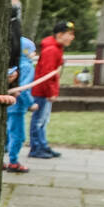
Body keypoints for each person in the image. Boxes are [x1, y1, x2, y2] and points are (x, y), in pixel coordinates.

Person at [29, 20, 74, 159]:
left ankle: (43, 145)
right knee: (39, 121)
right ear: (60, 35)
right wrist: (51, 93)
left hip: (45, 92)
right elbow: (47, 75)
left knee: (43, 120)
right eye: (70, 34)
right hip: (42, 92)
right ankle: (36, 148)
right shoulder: (52, 50)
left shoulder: (56, 48)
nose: (72, 37)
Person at [5, 36, 38, 174]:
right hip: (17, 107)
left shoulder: (11, 66)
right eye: (32, 50)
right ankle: (13, 162)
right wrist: (31, 104)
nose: (34, 53)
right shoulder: (27, 67)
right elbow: (23, 89)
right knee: (18, 135)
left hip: (7, 105)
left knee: (7, 133)